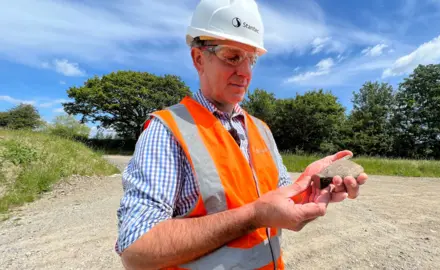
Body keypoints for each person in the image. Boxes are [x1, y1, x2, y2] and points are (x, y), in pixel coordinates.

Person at [115, 0, 368, 269]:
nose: (246, 72)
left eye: (252, 59)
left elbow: (280, 200)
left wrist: (309, 186)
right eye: (233, 56)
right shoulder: (167, 130)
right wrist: (254, 216)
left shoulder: (261, 129)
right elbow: (136, 248)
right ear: (199, 58)